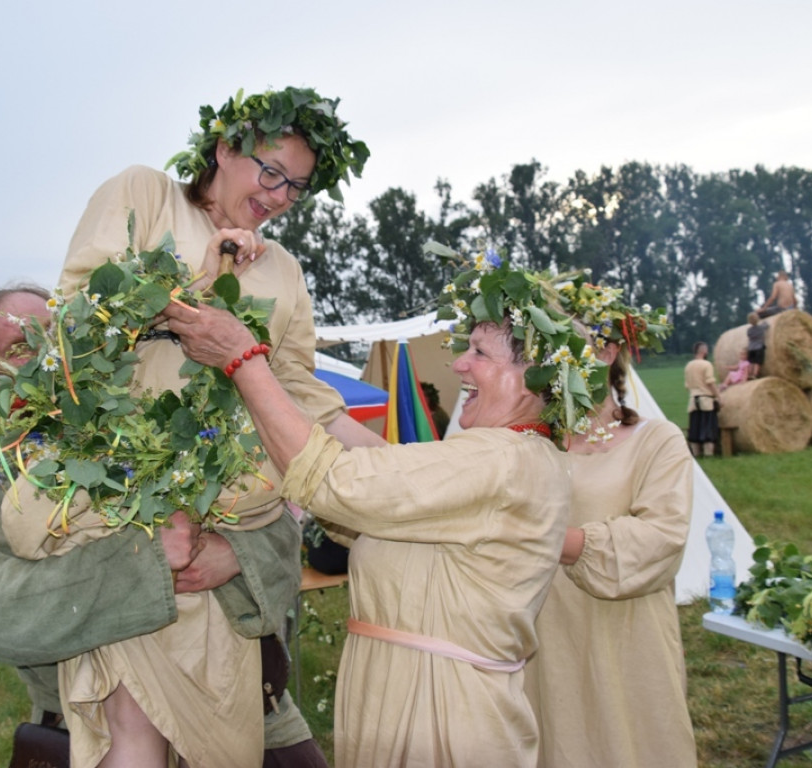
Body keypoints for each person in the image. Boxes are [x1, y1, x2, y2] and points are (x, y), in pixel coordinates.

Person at [0, 86, 379, 767]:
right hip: (128, 492)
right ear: (224, 147)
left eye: (296, 187)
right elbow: (78, 322)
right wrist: (200, 284)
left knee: (226, 725)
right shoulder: (144, 195)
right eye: (269, 172)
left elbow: (300, 392)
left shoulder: (286, 272)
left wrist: (398, 462)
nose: (277, 196)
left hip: (227, 502)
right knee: (137, 729)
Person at [162, 253, 604, 767]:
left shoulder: (502, 460)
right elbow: (379, 469)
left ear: (532, 377)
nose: (459, 363)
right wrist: (278, 363)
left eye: (480, 353)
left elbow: (338, 483)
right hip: (424, 693)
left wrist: (244, 362)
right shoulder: (513, 456)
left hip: (441, 715)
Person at [0, 285, 310, 766]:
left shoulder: (168, 405)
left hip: (255, 714)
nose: (45, 350)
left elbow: (280, 520)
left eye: (54, 329)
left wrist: (236, 554)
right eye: (18, 347)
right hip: (101, 728)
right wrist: (148, 564)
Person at [523, 293, 698, 768]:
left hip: (626, 644)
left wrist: (550, 540)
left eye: (564, 342)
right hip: (543, 645)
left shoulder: (656, 442)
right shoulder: (525, 444)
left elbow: (662, 539)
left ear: (607, 351)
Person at [684, 341, 719, 457]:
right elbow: (710, 382)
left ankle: (696, 454)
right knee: (708, 428)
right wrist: (718, 396)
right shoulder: (706, 364)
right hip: (706, 400)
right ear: (704, 351)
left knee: (695, 428)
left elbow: (687, 385)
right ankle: (709, 454)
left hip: (693, 400)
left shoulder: (688, 365)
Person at [746, 311, 766, 378]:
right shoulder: (761, 328)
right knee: (757, 362)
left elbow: (748, 336)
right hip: (758, 347)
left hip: (751, 348)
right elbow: (767, 325)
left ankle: (749, 374)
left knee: (751, 362)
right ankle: (755, 374)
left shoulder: (749, 330)